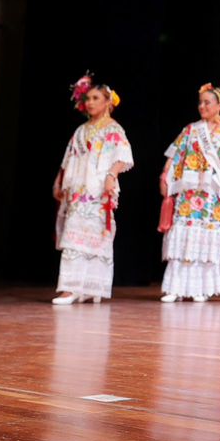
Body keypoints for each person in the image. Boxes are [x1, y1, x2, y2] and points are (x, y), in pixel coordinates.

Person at [158, 82, 220, 302]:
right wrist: (165, 175)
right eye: (200, 103)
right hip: (189, 191)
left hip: (215, 192)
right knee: (184, 232)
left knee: (209, 235)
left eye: (207, 102)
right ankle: (177, 287)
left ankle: (202, 287)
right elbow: (175, 155)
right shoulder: (191, 129)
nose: (202, 106)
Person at [52, 75, 133, 304]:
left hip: (98, 188)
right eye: (87, 98)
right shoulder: (81, 130)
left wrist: (111, 175)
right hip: (79, 187)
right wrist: (60, 183)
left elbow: (122, 155)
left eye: (96, 98)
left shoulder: (113, 129)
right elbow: (68, 159)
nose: (90, 102)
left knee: (96, 235)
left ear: (108, 101)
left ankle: (90, 286)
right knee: (74, 234)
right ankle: (70, 287)